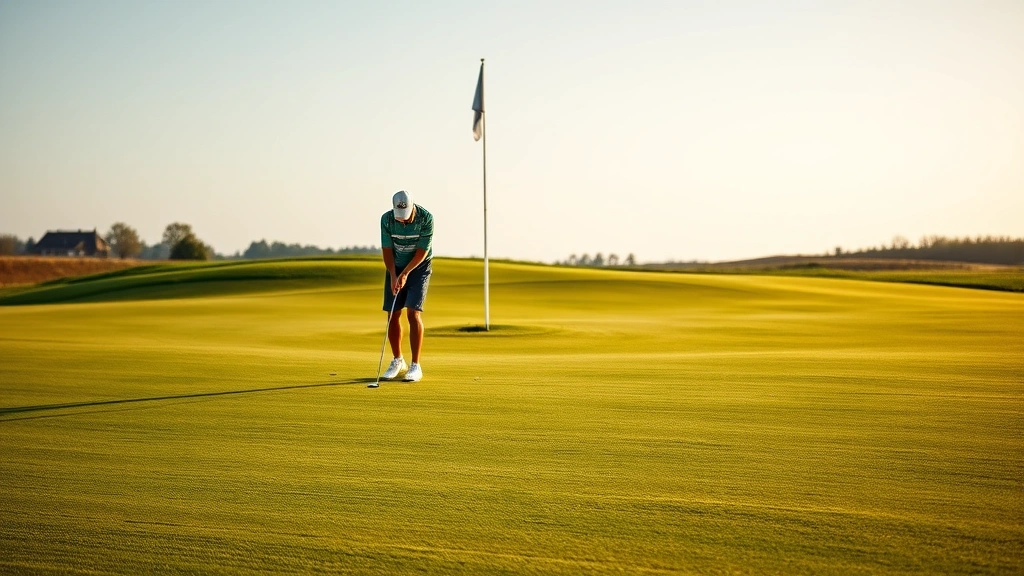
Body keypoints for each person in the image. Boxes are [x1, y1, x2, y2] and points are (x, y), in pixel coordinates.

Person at [379, 190, 433, 382]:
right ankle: (397, 360)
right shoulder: (386, 220)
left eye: (405, 216)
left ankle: (415, 365)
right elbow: (387, 250)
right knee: (393, 313)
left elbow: (422, 251)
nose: (402, 220)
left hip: (419, 267)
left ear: (412, 207)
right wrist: (394, 275)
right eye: (398, 216)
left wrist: (406, 274)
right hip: (396, 264)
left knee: (413, 313)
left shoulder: (426, 218)